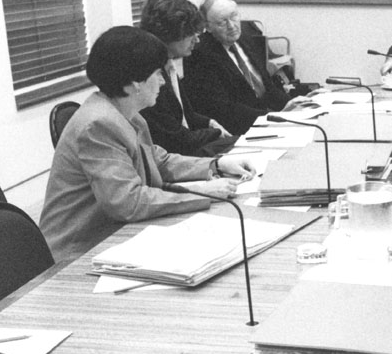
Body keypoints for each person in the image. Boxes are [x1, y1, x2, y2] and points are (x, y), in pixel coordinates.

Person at [40, 26, 259, 262]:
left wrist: (216, 165)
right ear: (135, 83)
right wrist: (201, 192)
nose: (163, 82)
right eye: (157, 73)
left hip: (115, 234)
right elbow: (127, 202)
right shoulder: (98, 125)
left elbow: (157, 160)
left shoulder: (126, 113)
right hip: (78, 253)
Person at [138, 0, 237, 156]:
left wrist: (209, 122)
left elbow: (186, 114)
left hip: (188, 147)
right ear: (170, 35)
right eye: (191, 34)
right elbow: (175, 139)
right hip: (176, 156)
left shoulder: (168, 64)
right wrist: (215, 133)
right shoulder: (151, 77)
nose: (197, 40)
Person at [183, 0, 293, 134]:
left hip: (265, 119)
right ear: (208, 27)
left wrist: (293, 104)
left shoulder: (246, 39)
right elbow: (223, 109)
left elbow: (268, 88)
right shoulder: (199, 55)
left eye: (234, 16)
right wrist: (270, 117)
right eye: (222, 22)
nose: (231, 26)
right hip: (238, 129)